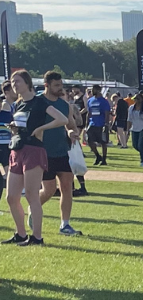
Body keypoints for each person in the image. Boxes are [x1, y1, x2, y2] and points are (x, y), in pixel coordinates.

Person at [5, 70, 69, 246]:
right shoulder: (18, 104)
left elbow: (62, 119)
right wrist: (14, 128)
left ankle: (37, 237)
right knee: (11, 197)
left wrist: (42, 128)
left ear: (27, 83)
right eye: (12, 82)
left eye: (17, 81)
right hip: (17, 149)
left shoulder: (39, 102)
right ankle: (20, 234)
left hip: (34, 150)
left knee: (32, 195)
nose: (14, 85)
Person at [36, 72, 83, 236]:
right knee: (48, 190)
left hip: (62, 151)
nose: (60, 89)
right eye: (56, 85)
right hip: (42, 152)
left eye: (61, 85)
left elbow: (71, 125)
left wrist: (72, 133)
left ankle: (65, 224)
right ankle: (33, 208)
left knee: (67, 187)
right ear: (46, 85)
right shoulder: (37, 102)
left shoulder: (64, 105)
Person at [85, 83, 112, 166]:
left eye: (94, 90)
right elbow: (89, 113)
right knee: (89, 141)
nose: (92, 91)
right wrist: (86, 124)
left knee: (103, 142)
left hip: (101, 124)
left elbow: (107, 113)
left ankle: (104, 159)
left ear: (98, 90)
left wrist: (106, 124)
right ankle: (97, 156)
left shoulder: (104, 101)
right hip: (92, 123)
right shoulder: (90, 100)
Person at [0, 81, 15, 207]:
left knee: (8, 167)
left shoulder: (12, 105)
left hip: (7, 141)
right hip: (3, 142)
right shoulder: (5, 105)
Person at [128, 93, 143, 166]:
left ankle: (142, 160)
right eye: (134, 99)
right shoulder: (131, 108)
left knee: (140, 145)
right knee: (135, 145)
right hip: (134, 128)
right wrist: (127, 130)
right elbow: (129, 120)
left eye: (137, 99)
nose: (135, 101)